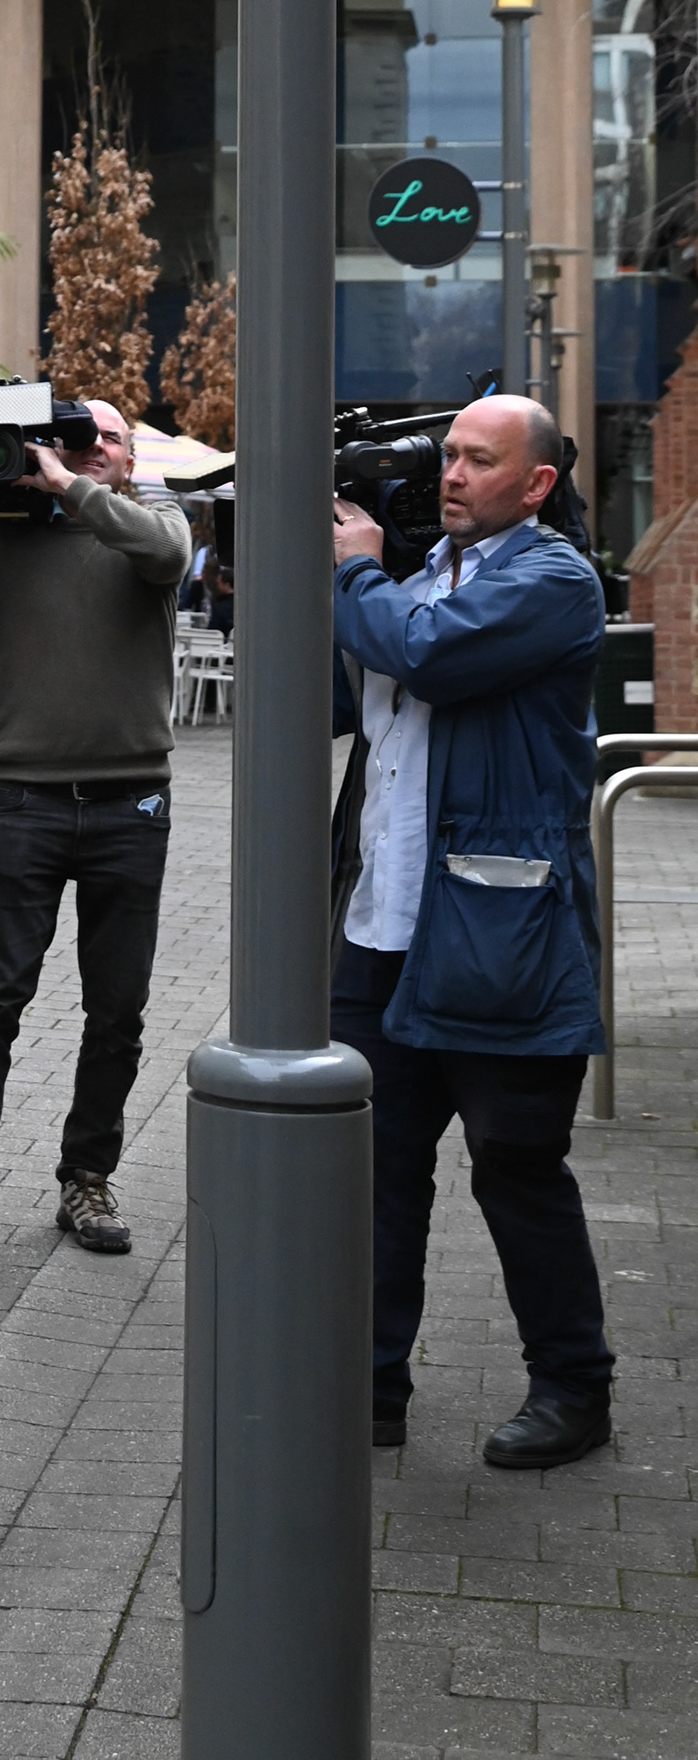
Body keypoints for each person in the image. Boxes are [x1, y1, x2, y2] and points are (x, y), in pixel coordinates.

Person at [330, 392, 614, 1470]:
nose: (449, 474)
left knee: (517, 1167)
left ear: (537, 483)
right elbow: (344, 689)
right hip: (380, 931)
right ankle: (368, 1390)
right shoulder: (419, 575)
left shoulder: (553, 582)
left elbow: (431, 659)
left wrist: (355, 571)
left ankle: (574, 1387)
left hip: (501, 931)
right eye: (445, 455)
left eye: (477, 460)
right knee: (372, 1170)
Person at [0, 398, 191, 1277]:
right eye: (79, 437)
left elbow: (166, 556)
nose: (93, 448)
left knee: (118, 1012)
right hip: (25, 800)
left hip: (131, 806)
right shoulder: (9, 530)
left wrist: (67, 484)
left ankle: (88, 1178)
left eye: (110, 438)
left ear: (128, 457)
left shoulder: (155, 517)